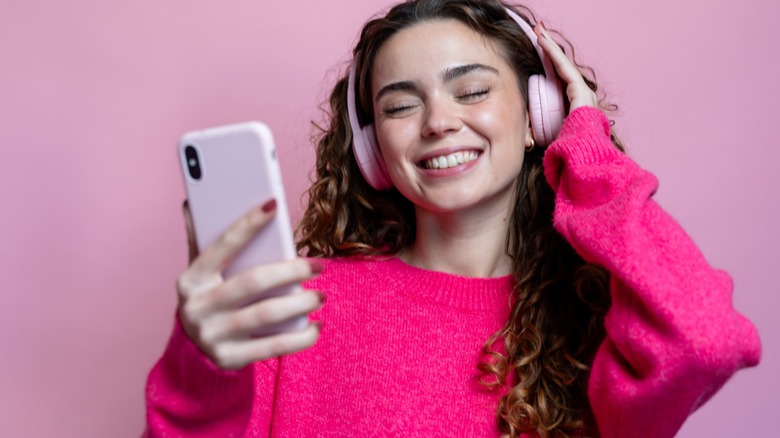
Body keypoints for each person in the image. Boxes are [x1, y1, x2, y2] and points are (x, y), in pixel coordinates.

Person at [145, 0, 761, 436]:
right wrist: (201, 366)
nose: (437, 121)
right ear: (373, 152)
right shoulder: (294, 302)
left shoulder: (598, 328)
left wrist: (591, 155)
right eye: (401, 104)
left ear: (536, 118)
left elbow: (705, 340)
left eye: (471, 92)